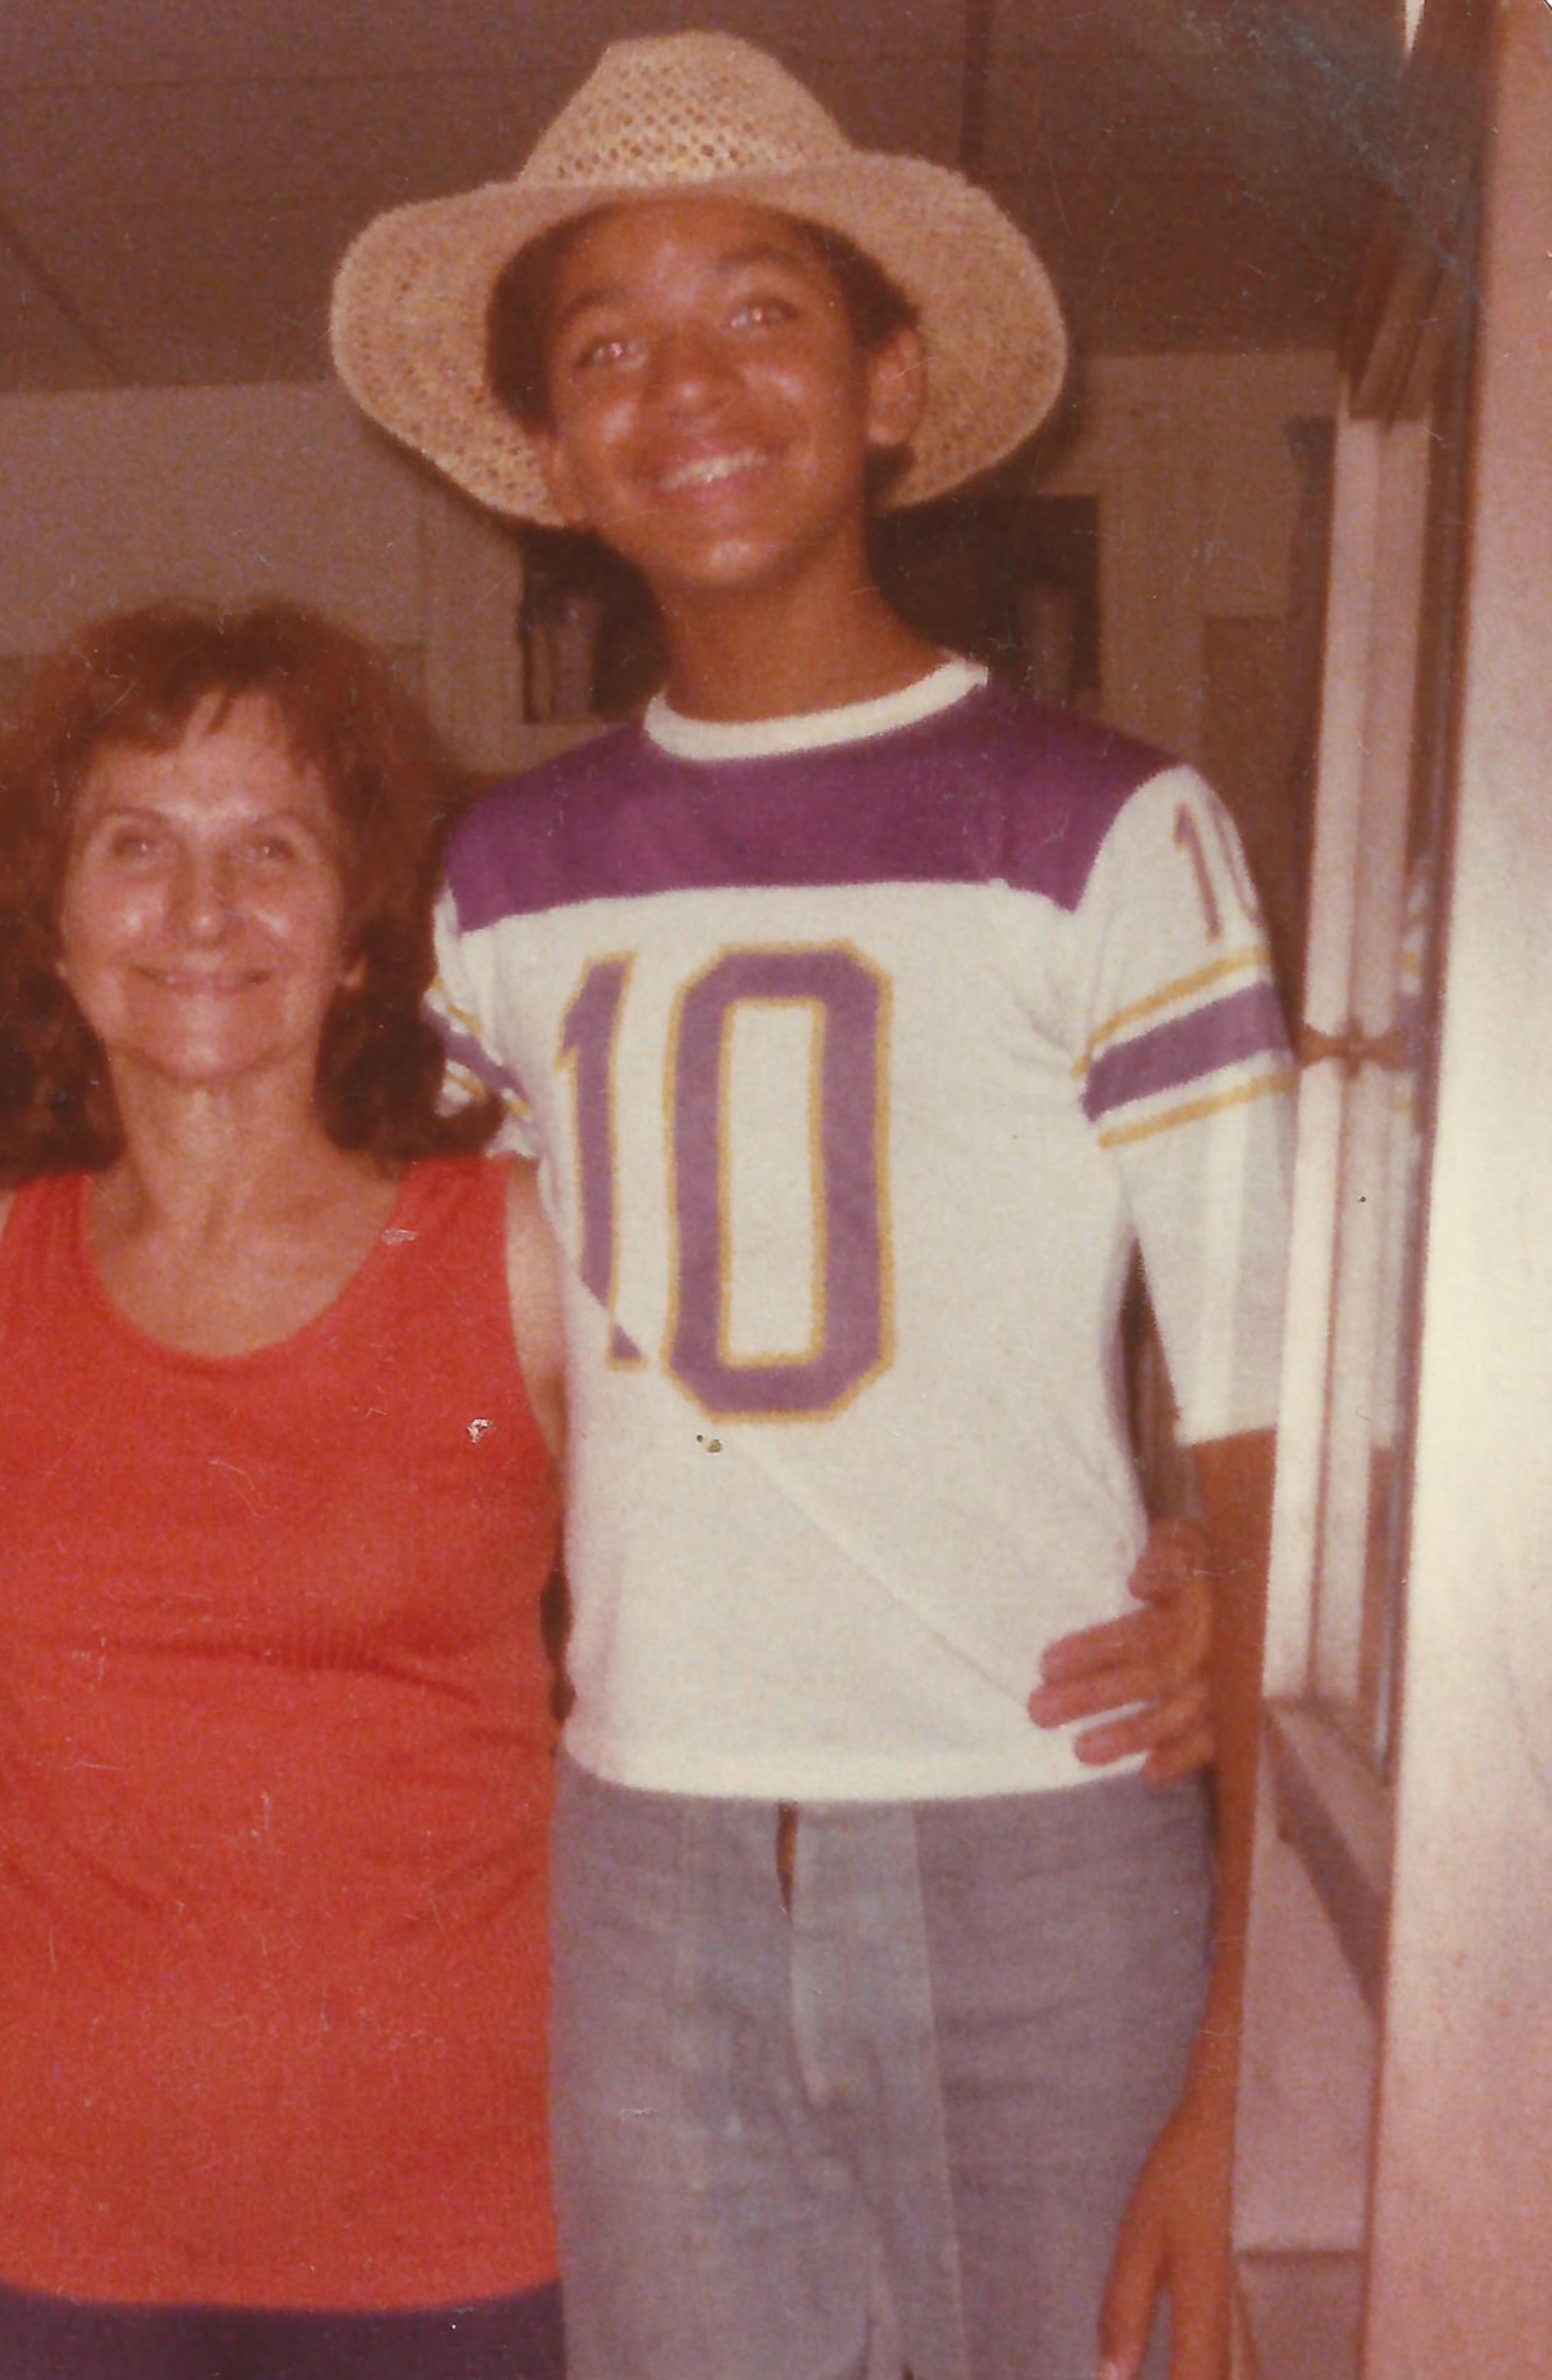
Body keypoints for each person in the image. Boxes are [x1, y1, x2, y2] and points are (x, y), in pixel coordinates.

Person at [0, 603, 1218, 2380]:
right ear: (56, 920)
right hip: (12, 2233)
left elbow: (823, 1470)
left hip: (461, 2233)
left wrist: (1188, 1566)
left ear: (360, 938)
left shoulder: (520, 1247)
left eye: (273, 853)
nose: (203, 910)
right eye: (136, 851)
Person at [331, 33, 1292, 2380]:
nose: (689, 387)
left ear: (889, 379)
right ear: (553, 458)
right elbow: (477, 1333)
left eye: (759, 310)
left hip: (1045, 1847)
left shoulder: (1101, 821)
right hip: (648, 1856)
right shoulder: (509, 873)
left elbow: (1274, 1404)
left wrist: (1240, 2072)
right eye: (607, 347)